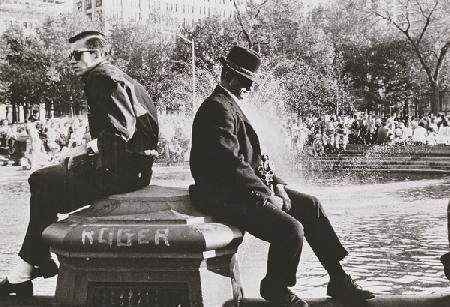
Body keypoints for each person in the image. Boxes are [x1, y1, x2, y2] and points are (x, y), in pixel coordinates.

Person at [189, 46, 374, 307]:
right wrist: (266, 195)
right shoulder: (217, 108)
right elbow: (230, 164)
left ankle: (337, 277)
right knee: (291, 230)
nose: (250, 88)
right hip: (225, 196)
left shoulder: (228, 105)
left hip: (241, 190)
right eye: (247, 81)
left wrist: (278, 185)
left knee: (311, 206)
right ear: (230, 76)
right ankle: (275, 286)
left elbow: (254, 161)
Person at [0, 30, 159, 298]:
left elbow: (119, 133)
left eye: (77, 55)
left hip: (121, 171)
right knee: (45, 182)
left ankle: (29, 266)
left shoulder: (102, 78)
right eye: (69, 55)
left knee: (41, 181)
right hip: (132, 167)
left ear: (96, 55)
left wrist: (79, 150)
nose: (71, 60)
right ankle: (29, 265)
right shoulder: (116, 76)